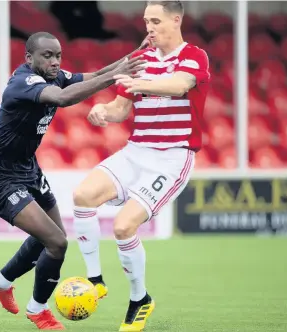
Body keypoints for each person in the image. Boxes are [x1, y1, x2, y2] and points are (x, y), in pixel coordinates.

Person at [0, 31, 146, 330]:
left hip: (29, 170)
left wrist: (134, 55)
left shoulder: (53, 74)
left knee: (54, 236)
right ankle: (37, 310)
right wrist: (116, 77)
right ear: (29, 58)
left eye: (58, 55)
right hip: (0, 177)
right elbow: (65, 98)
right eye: (47, 56)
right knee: (56, 243)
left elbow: (94, 75)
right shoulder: (24, 82)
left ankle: (1, 281)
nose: (55, 61)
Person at [72, 1, 211, 331]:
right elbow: (121, 110)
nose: (149, 26)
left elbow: (180, 85)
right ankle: (96, 281)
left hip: (172, 156)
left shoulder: (194, 56)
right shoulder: (141, 61)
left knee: (123, 227)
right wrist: (103, 111)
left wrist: (140, 83)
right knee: (83, 195)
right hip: (136, 152)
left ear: (176, 20)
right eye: (146, 20)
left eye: (156, 20)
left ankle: (139, 299)